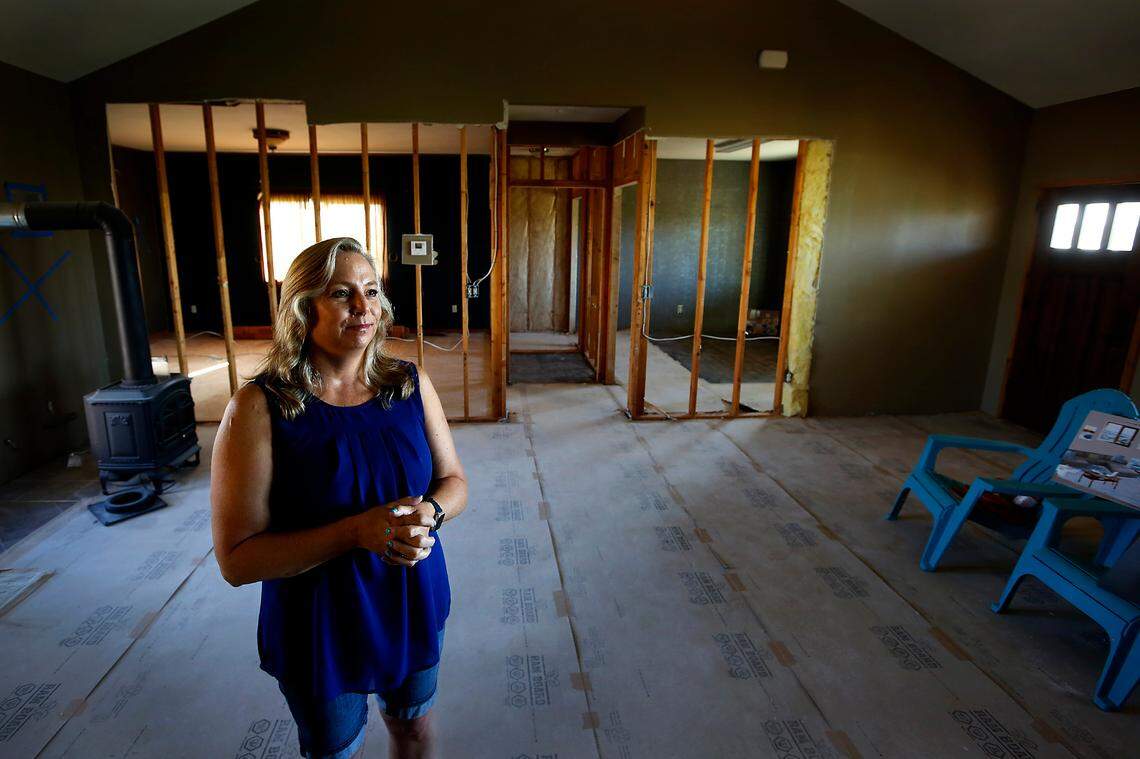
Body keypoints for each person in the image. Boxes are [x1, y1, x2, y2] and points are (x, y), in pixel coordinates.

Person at [210, 237, 466, 759]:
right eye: (341, 294)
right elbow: (237, 561)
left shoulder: (409, 384)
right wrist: (355, 532)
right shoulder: (259, 407)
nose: (363, 307)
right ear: (304, 309)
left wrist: (431, 512)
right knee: (336, 749)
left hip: (409, 599)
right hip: (319, 620)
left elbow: (454, 482)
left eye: (371, 292)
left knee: (414, 729)